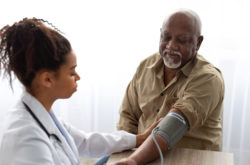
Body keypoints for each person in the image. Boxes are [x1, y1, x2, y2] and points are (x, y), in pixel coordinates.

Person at [0, 18, 160, 165]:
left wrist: (139, 139)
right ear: (47, 79)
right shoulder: (26, 137)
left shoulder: (43, 113)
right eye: (71, 72)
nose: (78, 77)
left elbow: (84, 142)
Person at [112, 9, 225, 164]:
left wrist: (133, 161)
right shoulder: (146, 66)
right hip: (140, 155)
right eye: (166, 37)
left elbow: (174, 125)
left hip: (191, 159)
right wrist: (125, 154)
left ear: (198, 43)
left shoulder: (208, 78)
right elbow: (128, 116)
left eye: (182, 40)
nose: (171, 46)